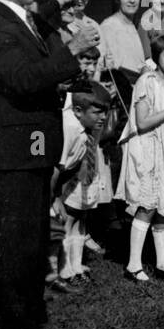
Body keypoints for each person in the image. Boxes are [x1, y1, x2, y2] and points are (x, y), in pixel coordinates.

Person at [0, 0, 99, 329]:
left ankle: (32, 315)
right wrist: (72, 49)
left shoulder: (20, 16)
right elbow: (21, 79)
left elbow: (41, 15)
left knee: (34, 237)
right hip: (12, 153)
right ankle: (17, 323)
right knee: (17, 240)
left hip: (33, 148)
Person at [116, 32, 164, 282]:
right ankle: (133, 264)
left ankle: (162, 263)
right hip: (149, 147)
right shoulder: (147, 81)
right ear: (156, 56)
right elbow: (142, 122)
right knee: (148, 205)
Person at [56, 81, 114, 281]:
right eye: (98, 112)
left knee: (81, 218)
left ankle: (76, 265)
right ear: (78, 111)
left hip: (81, 174)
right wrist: (55, 198)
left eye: (105, 112)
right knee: (67, 219)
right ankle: (64, 270)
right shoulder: (69, 128)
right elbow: (57, 169)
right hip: (63, 180)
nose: (104, 117)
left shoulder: (87, 123)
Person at [99, 0, 152, 84]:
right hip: (122, 87)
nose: (132, 0)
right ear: (118, 0)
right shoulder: (109, 26)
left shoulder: (132, 25)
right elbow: (112, 68)